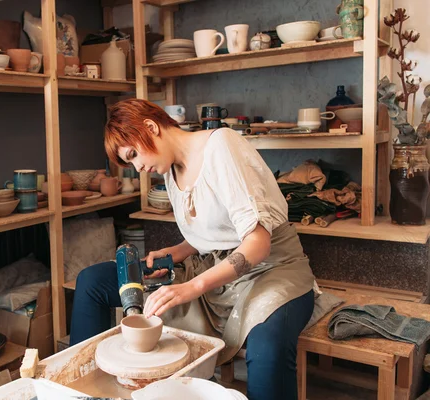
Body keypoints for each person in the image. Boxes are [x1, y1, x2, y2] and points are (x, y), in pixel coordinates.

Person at [69, 99, 314, 400]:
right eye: (130, 163)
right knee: (93, 281)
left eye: (134, 155)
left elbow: (257, 242)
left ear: (151, 126)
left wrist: (192, 287)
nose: (139, 168)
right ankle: (76, 393)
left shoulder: (222, 145)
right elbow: (210, 235)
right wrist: (176, 252)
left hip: (271, 268)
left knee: (267, 350)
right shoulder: (170, 169)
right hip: (211, 269)